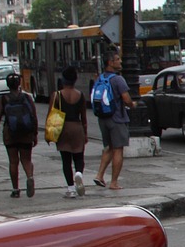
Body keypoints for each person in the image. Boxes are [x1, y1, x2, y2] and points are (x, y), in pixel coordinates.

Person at [0, 73, 38, 198]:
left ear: (7, 85)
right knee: (26, 159)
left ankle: (15, 189)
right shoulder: (27, 98)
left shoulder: (4, 99)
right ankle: (30, 177)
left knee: (13, 161)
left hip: (10, 134)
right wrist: (35, 134)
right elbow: (34, 116)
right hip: (26, 133)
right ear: (19, 84)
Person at [92, 50, 135, 191]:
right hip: (117, 118)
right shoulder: (118, 79)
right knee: (118, 150)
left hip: (103, 118)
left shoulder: (100, 78)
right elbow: (126, 99)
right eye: (117, 59)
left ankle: (99, 175)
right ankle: (114, 182)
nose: (120, 62)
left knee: (108, 148)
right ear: (110, 63)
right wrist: (133, 104)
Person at [50, 66, 89, 198]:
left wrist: (49, 134)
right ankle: (79, 173)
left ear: (63, 79)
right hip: (77, 128)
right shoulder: (80, 95)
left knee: (65, 159)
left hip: (63, 128)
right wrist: (85, 132)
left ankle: (71, 188)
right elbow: (83, 116)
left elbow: (51, 115)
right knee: (79, 156)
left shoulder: (57, 95)